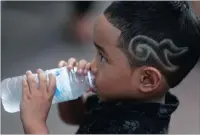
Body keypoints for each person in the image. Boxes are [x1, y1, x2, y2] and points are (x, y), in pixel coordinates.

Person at [20, 1, 200, 134]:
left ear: (147, 79)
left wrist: (35, 124)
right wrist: (70, 94)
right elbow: (78, 118)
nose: (91, 65)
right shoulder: (126, 94)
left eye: (103, 58)